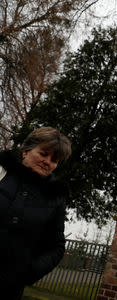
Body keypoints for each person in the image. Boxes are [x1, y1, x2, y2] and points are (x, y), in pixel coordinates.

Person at [0, 127, 71, 299]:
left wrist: (26, 273)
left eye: (55, 160)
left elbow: (57, 247)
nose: (48, 162)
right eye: (44, 154)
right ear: (25, 151)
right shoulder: (1, 171)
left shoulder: (55, 199)